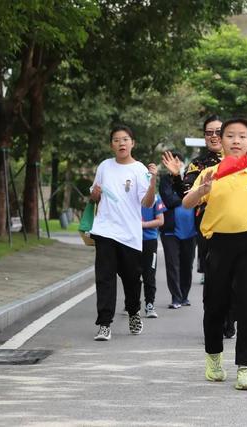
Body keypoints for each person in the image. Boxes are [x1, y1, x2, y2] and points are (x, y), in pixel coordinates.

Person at [179, 117, 247, 391]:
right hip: (217, 245)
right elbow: (187, 203)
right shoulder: (211, 173)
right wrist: (201, 190)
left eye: (242, 137)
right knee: (215, 305)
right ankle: (213, 359)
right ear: (220, 141)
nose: (236, 141)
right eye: (230, 136)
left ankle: (245, 369)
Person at [89, 124, 157, 341]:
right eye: (117, 140)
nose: (121, 143)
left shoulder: (139, 170)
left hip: (129, 234)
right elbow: (94, 195)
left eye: (125, 139)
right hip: (104, 230)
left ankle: (134, 312)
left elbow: (146, 203)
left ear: (132, 143)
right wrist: (96, 194)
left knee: (131, 280)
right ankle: (104, 324)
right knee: (105, 278)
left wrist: (153, 181)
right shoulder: (104, 166)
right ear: (112, 145)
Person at [164, 115, 223, 286]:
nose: (213, 136)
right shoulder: (198, 164)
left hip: (241, 230)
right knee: (214, 290)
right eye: (209, 132)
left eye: (218, 132)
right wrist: (176, 176)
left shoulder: (240, 162)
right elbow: (187, 195)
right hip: (210, 232)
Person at [159, 152, 197, 309]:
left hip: (191, 231)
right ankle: (176, 297)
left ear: (182, 164)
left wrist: (186, 196)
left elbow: (194, 196)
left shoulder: (190, 180)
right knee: (173, 265)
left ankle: (184, 296)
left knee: (187, 265)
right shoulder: (165, 181)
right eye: (171, 161)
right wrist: (186, 199)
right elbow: (169, 200)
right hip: (170, 232)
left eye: (178, 161)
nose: (175, 164)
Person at [141, 194, 167, 318]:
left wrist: (142, 225)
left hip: (149, 241)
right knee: (130, 274)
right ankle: (130, 302)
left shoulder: (155, 198)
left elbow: (160, 220)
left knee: (149, 274)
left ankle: (150, 304)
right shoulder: (129, 193)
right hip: (130, 240)